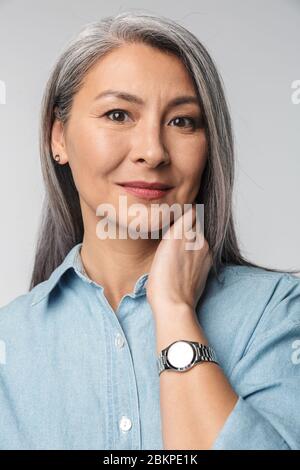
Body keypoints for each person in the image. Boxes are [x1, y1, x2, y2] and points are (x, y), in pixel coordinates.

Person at [0, 11, 299, 450]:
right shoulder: (10, 343)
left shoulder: (276, 313)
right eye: (119, 114)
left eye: (182, 121)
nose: (153, 151)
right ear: (58, 137)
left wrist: (176, 311)